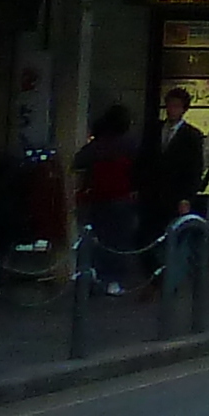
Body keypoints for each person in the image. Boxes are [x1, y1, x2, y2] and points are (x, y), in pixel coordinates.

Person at [74, 103, 141, 293]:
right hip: (122, 198)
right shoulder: (130, 144)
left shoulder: (96, 145)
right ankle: (113, 281)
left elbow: (78, 163)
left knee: (95, 238)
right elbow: (140, 170)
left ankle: (91, 275)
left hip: (95, 199)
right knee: (118, 241)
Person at [140, 89, 209, 252]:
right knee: (148, 236)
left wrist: (187, 197)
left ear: (184, 109)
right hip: (151, 194)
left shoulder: (192, 135)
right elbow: (143, 159)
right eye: (170, 105)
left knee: (172, 238)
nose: (172, 109)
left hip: (175, 195)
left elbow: (194, 169)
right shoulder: (154, 130)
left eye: (177, 106)